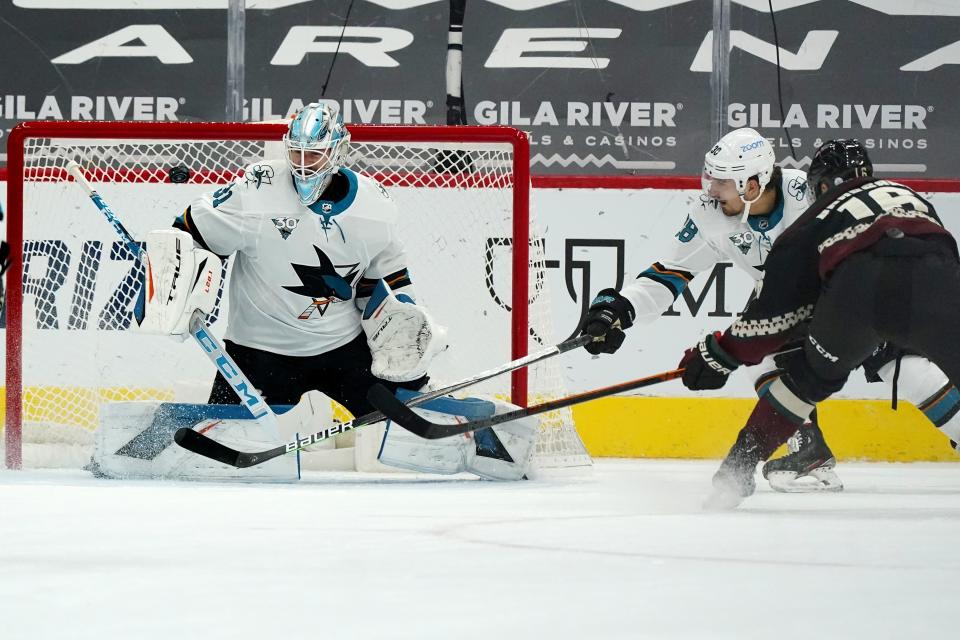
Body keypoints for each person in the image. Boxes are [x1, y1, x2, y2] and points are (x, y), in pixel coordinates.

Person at [136, 101, 537, 481]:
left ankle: (490, 438)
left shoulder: (374, 207)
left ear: (339, 151)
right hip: (257, 350)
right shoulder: (256, 190)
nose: (304, 165)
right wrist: (170, 279)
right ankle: (137, 448)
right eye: (296, 153)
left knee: (412, 413)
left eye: (315, 155)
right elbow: (188, 232)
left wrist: (404, 319)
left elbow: (390, 277)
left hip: (343, 349)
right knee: (215, 435)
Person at [581, 129, 960, 491]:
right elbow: (672, 273)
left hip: (849, 294)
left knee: (903, 369)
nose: (711, 191)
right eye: (709, 179)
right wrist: (621, 308)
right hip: (787, 298)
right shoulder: (710, 214)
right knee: (759, 358)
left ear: (753, 183)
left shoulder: (809, 194)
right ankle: (807, 448)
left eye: (722, 182)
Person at [679, 139, 960, 508]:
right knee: (908, 366)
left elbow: (770, 319)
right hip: (939, 278)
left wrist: (720, 353)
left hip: (858, 293)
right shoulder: (908, 196)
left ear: (823, 187)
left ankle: (736, 470)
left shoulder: (818, 218)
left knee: (805, 381)